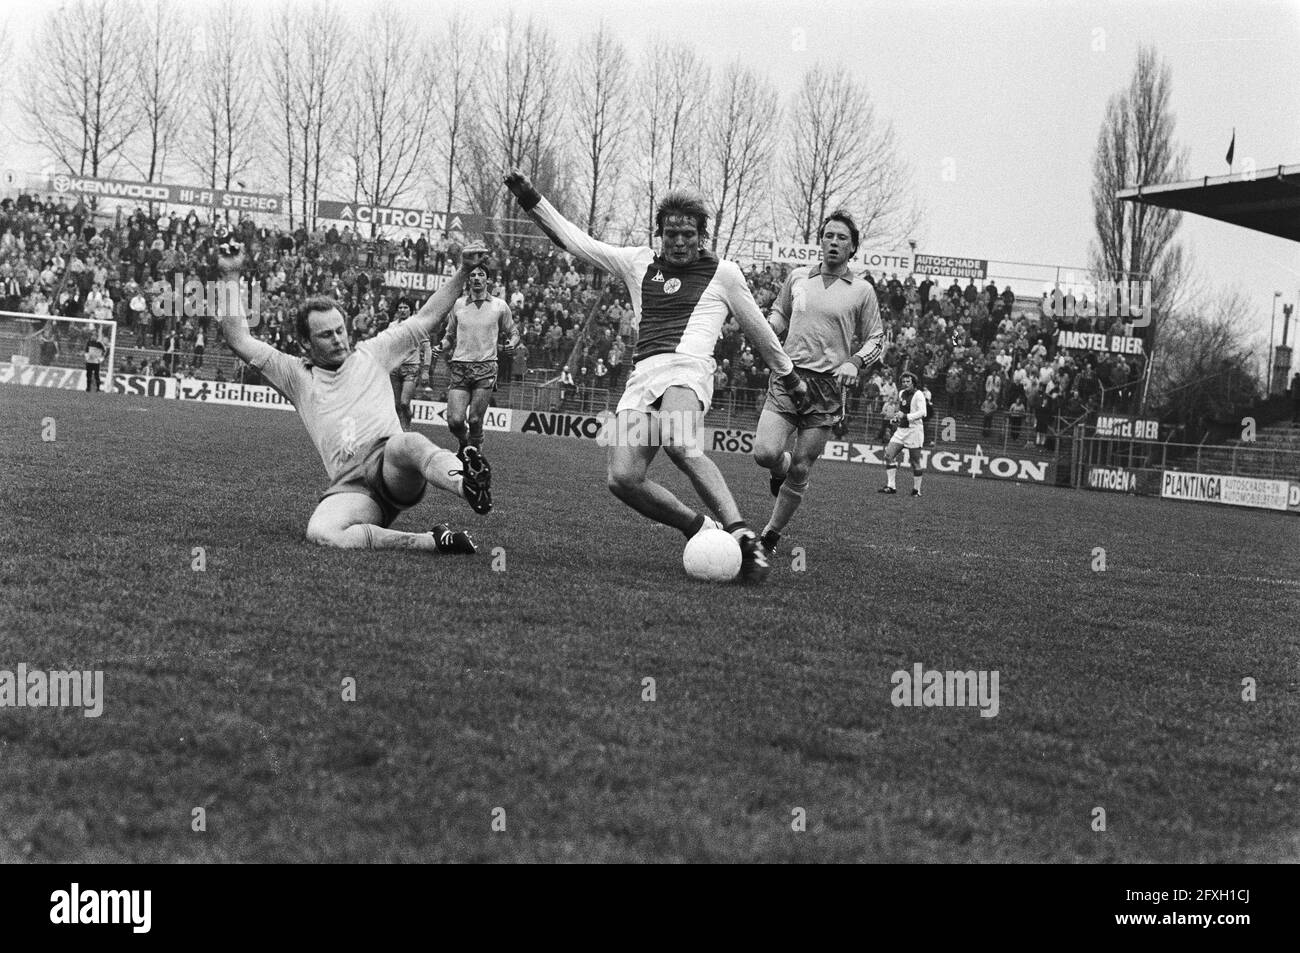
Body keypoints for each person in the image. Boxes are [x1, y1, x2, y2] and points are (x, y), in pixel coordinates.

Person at [505, 169, 808, 583]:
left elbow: (758, 329)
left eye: (687, 233)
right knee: (622, 478)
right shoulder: (637, 263)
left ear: (702, 235)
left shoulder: (724, 274)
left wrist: (789, 376)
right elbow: (576, 241)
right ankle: (699, 528)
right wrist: (531, 200)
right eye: (671, 233)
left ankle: (743, 535)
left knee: (680, 442)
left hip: (687, 370)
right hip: (643, 378)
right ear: (660, 233)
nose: (679, 241)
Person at [217, 240, 493, 553]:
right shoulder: (295, 375)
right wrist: (229, 275)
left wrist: (463, 271)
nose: (338, 339)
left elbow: (428, 316)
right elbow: (238, 338)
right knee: (322, 531)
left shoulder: (374, 352)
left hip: (392, 468)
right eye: (325, 335)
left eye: (340, 330)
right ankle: (433, 541)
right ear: (306, 343)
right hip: (352, 489)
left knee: (407, 442)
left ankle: (466, 483)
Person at [752, 210, 883, 557]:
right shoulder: (797, 277)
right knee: (765, 453)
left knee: (801, 466)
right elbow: (780, 313)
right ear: (820, 241)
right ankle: (777, 471)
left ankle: (770, 536)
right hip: (788, 376)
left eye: (842, 238)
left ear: (853, 247)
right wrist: (769, 327)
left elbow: (877, 338)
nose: (834, 242)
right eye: (828, 236)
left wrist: (855, 362)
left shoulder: (862, 291)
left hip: (826, 389)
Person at [438, 261, 518, 457]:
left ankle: (476, 449)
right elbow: (449, 336)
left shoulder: (500, 306)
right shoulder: (458, 305)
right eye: (472, 275)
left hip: (486, 367)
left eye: (480, 274)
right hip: (460, 367)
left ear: (487, 280)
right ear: (468, 280)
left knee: (474, 420)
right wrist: (440, 346)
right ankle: (465, 443)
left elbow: (514, 333)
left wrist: (512, 344)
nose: (476, 278)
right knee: (455, 421)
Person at [880, 370, 928, 496]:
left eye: (908, 381)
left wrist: (905, 416)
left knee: (914, 462)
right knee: (888, 455)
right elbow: (902, 410)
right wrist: (897, 417)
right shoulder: (901, 393)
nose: (905, 383)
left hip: (914, 431)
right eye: (903, 381)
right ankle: (891, 486)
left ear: (914, 383)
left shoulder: (919, 395)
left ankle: (917, 490)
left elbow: (923, 413)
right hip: (901, 430)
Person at [387, 298, 429, 431]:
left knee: (405, 403)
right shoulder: (392, 326)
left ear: (411, 310)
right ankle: (400, 429)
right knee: (396, 405)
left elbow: (427, 348)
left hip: (411, 368)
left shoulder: (417, 326)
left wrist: (426, 370)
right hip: (395, 368)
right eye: (400, 307)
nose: (402, 310)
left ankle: (407, 427)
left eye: (405, 307)